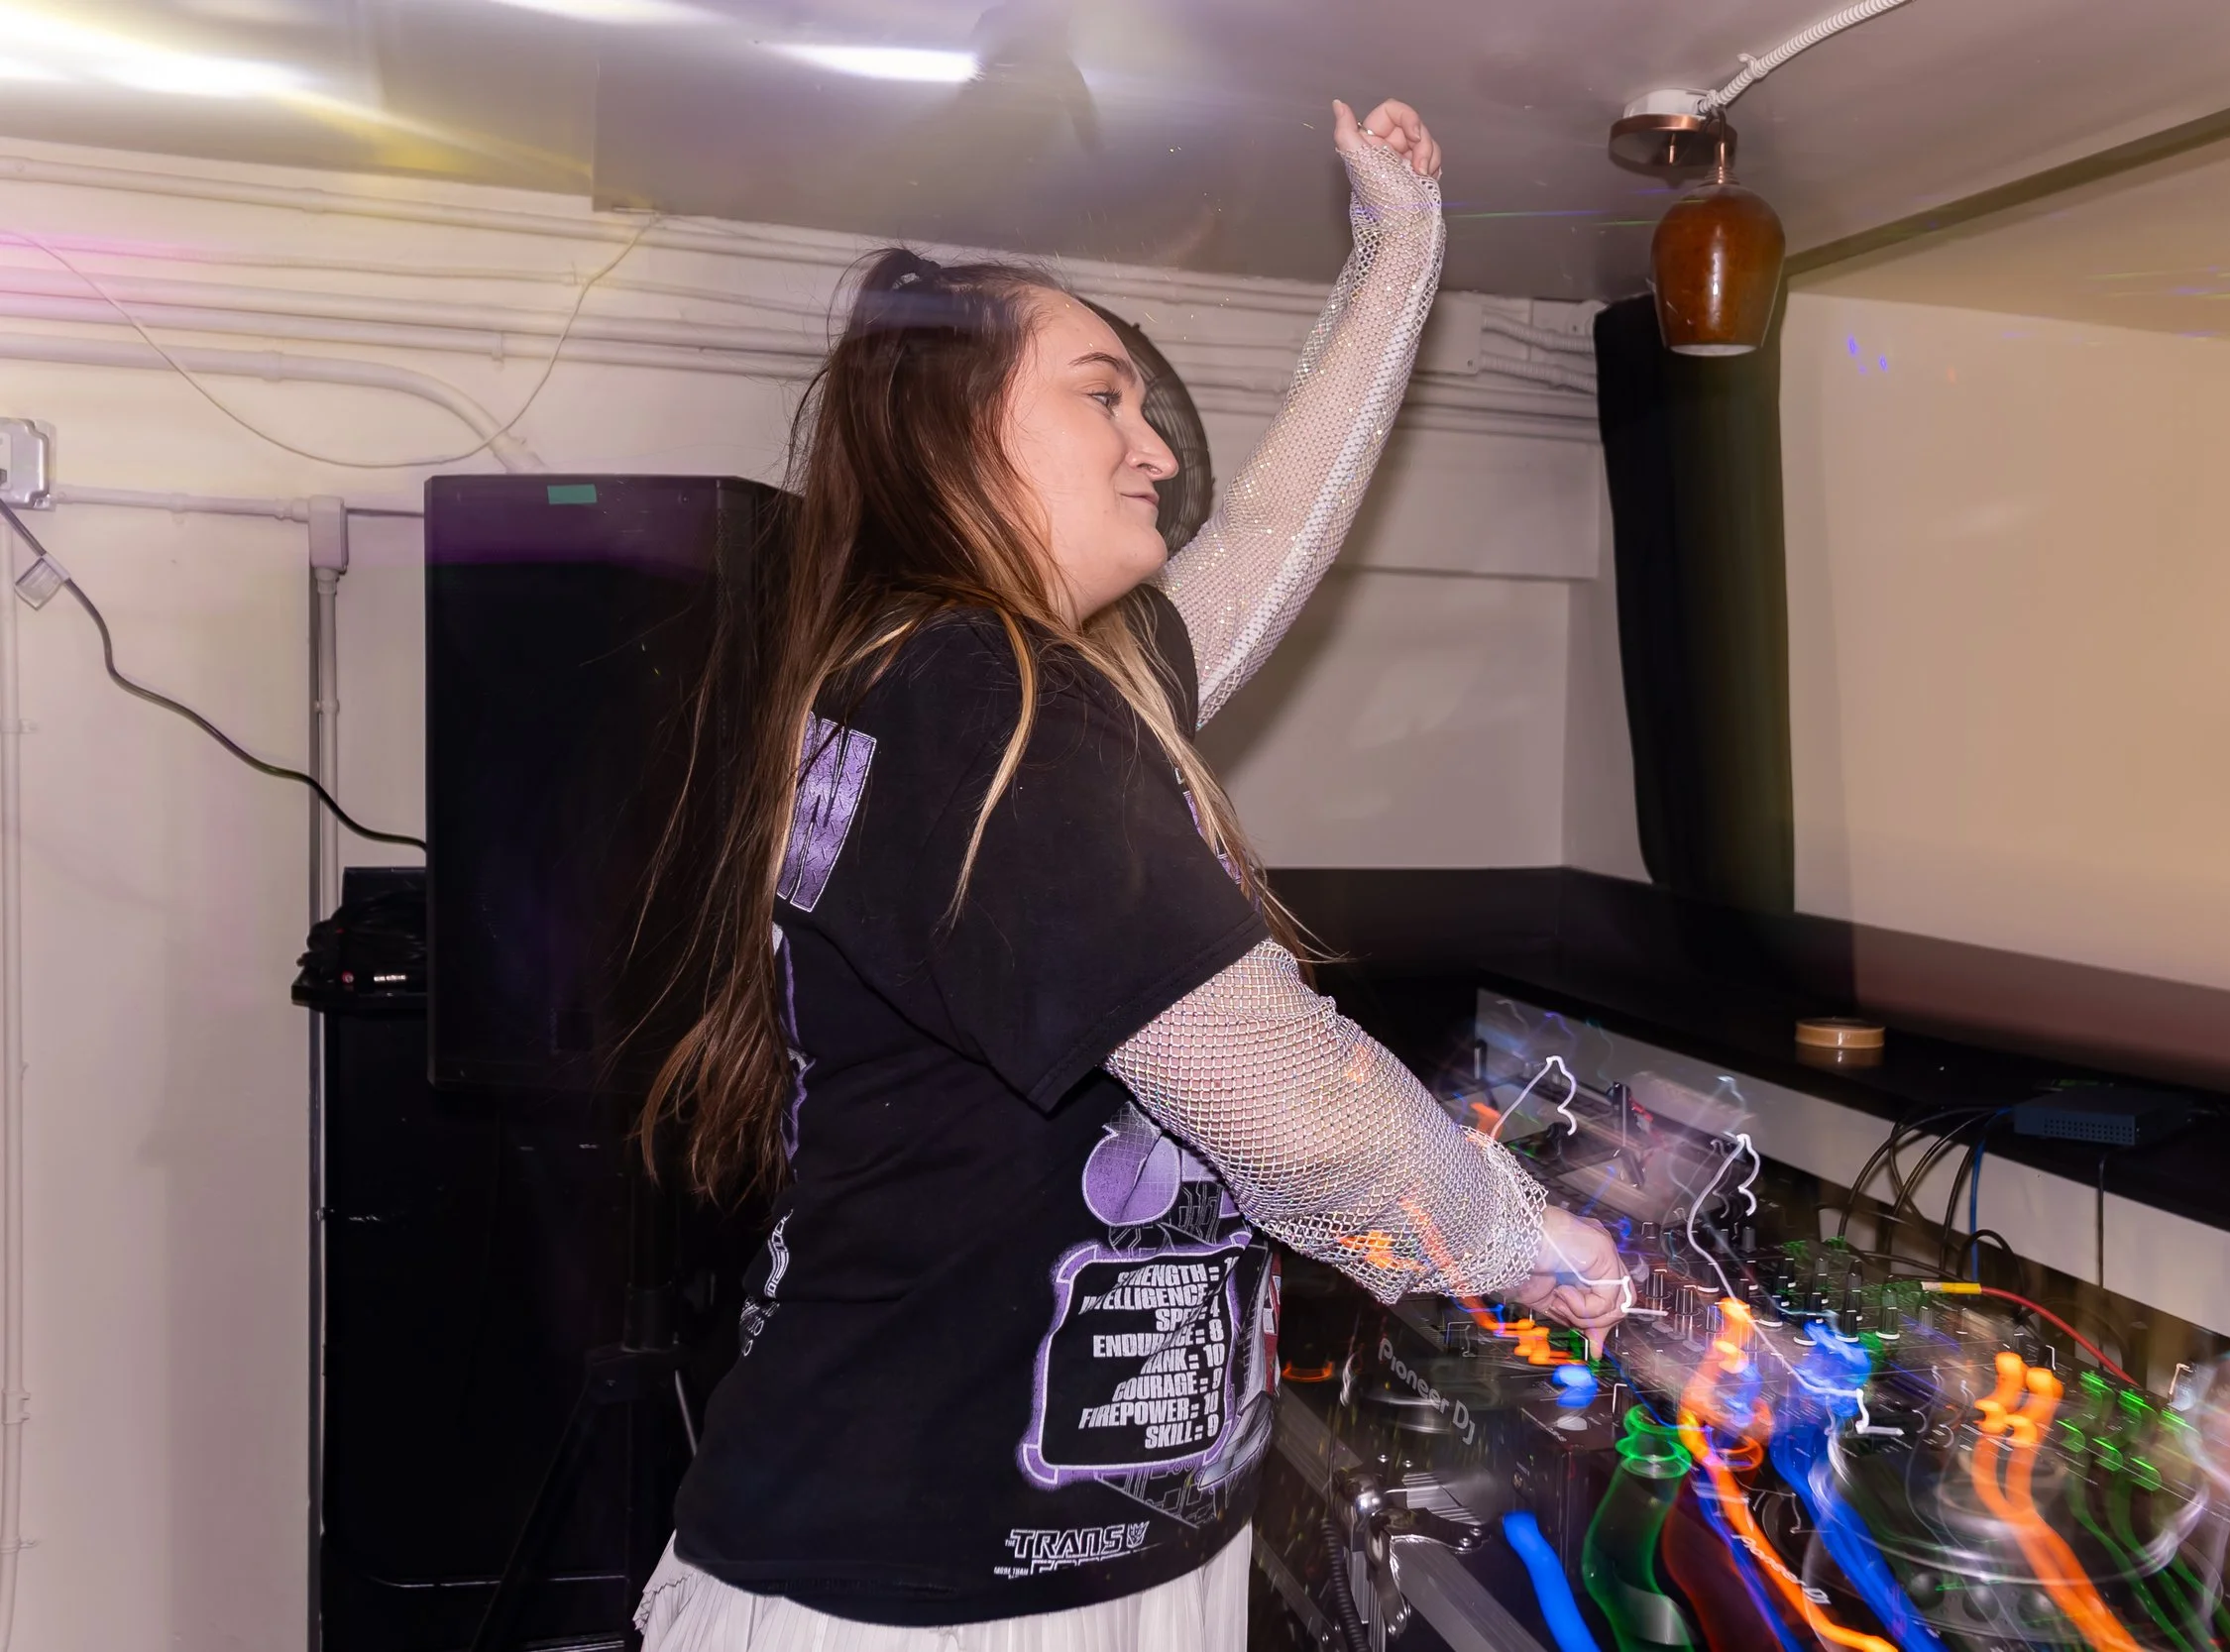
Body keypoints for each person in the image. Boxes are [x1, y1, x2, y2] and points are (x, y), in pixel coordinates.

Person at [630, 98, 1627, 1652]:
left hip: (1038, 1548)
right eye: (1104, 397)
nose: (1155, 444)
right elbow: (1300, 1118)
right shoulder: (976, 701)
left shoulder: (1001, 686)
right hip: (931, 1590)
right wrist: (1524, 1237)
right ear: (955, 432)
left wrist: (1399, 254)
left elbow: (1275, 528)